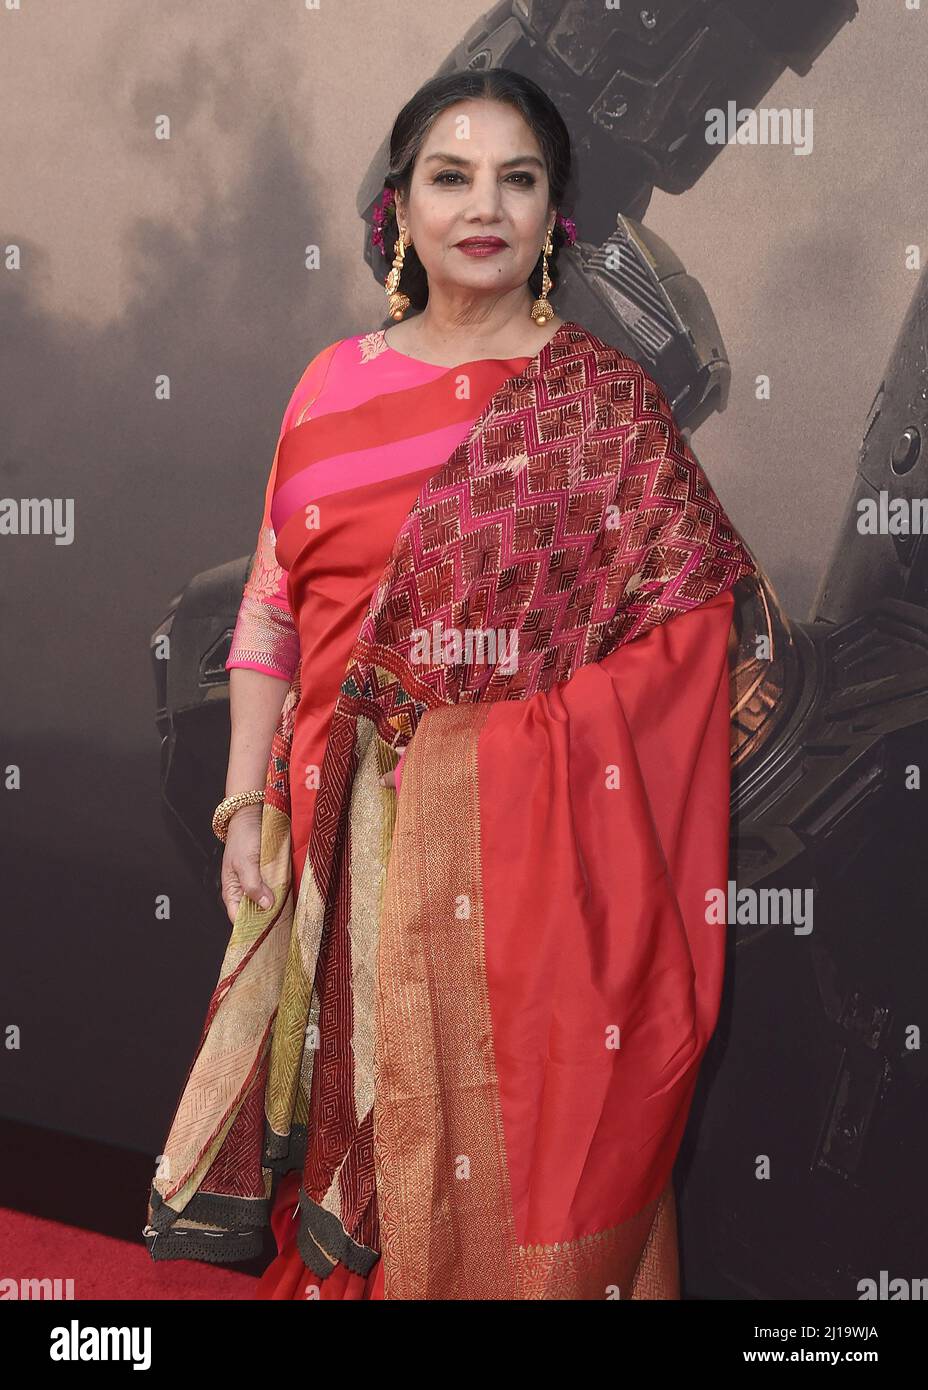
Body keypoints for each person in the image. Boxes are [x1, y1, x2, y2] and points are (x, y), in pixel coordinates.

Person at [144, 67, 757, 1301]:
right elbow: (270, 610)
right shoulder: (327, 384)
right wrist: (243, 805)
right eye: (451, 175)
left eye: (517, 179)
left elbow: (687, 645)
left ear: (552, 218)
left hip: (517, 878)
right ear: (400, 209)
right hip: (332, 854)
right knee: (350, 1150)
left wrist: (477, 756)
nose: (485, 205)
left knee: (498, 1152)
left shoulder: (602, 407)